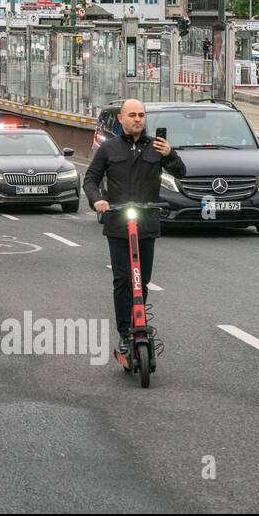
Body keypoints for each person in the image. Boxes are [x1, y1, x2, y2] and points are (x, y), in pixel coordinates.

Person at [83, 99, 186, 359]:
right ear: (121, 119)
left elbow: (181, 172)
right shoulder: (109, 148)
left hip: (147, 222)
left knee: (142, 280)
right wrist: (98, 200)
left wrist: (170, 154)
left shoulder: (156, 147)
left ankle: (138, 323)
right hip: (118, 223)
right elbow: (91, 179)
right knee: (122, 281)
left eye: (141, 115)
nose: (138, 119)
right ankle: (125, 333)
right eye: (132, 115)